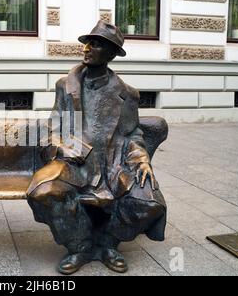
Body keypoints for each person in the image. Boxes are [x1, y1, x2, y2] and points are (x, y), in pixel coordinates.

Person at [26, 21, 167, 275]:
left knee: (150, 202)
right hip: (74, 164)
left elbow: (132, 134)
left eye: (96, 44)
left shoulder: (128, 95)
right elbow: (53, 128)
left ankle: (108, 244)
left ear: (112, 54)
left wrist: (141, 159)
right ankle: (78, 246)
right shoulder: (65, 86)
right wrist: (61, 149)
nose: (87, 49)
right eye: (87, 43)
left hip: (113, 164)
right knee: (43, 191)